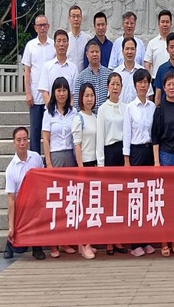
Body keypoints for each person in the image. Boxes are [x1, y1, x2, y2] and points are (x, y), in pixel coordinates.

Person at [41, 76, 78, 258]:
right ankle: (53, 243)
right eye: (58, 90)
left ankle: (65, 241)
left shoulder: (73, 112)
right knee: (55, 202)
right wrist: (48, 163)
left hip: (70, 156)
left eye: (64, 90)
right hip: (55, 157)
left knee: (68, 201)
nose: (62, 94)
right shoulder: (48, 113)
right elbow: (46, 139)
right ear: (54, 92)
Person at [152, 71, 174, 257]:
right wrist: (157, 162)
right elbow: (155, 137)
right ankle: (164, 241)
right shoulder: (159, 108)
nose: (172, 87)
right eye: (168, 84)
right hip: (165, 157)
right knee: (164, 202)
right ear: (164, 87)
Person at [122, 68, 156, 257]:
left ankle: (146, 240)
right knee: (135, 197)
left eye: (146, 82)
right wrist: (126, 160)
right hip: (135, 153)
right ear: (135, 85)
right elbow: (126, 135)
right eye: (140, 82)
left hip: (149, 152)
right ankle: (135, 243)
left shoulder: (152, 108)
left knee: (148, 196)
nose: (143, 85)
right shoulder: (130, 107)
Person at [3, 126, 46, 261]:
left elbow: (43, 178)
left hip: (36, 201)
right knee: (19, 248)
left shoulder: (36, 158)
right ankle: (9, 244)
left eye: (25, 139)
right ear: (14, 142)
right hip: (21, 205)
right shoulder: (11, 169)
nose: (22, 143)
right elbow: (11, 198)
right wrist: (11, 225)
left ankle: (37, 248)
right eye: (19, 140)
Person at [70, 82, 97, 260]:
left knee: (91, 206)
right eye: (86, 95)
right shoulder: (78, 118)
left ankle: (86, 242)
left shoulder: (95, 117)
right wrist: (80, 167)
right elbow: (77, 144)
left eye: (91, 95)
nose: (89, 99)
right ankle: (83, 242)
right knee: (84, 207)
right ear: (81, 98)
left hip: (94, 164)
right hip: (84, 165)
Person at [22, 14, 56, 154]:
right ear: (35, 28)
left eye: (44, 25)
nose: (42, 28)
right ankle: (35, 159)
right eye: (39, 25)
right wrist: (28, 93)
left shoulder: (54, 45)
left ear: (48, 27)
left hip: (51, 96)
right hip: (36, 96)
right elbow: (27, 71)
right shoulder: (30, 46)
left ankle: (52, 159)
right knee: (35, 130)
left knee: (52, 130)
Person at [38, 29, 78, 106]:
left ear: (68, 44)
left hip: (69, 113)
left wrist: (68, 110)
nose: (61, 44)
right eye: (59, 41)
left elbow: (74, 94)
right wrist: (52, 109)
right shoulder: (47, 66)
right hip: (51, 112)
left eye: (64, 41)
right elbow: (45, 92)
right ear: (54, 44)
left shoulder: (73, 68)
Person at [74, 40, 111, 113]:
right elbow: (77, 103)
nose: (95, 54)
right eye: (92, 52)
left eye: (97, 52)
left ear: (100, 53)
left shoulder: (109, 74)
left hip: (105, 117)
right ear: (87, 54)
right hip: (88, 117)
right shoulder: (81, 77)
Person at [114, 37, 154, 104]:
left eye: (132, 49)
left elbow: (149, 95)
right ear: (122, 51)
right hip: (121, 112)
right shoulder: (116, 73)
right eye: (127, 49)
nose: (129, 52)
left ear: (136, 51)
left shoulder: (143, 72)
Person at [144, 9, 173, 81]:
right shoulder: (152, 43)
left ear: (171, 24)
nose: (165, 24)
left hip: (173, 82)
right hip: (156, 81)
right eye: (162, 22)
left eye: (167, 22)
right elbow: (147, 63)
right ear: (158, 24)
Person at [67, 5, 91, 72]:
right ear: (69, 18)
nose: (76, 19)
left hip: (84, 77)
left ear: (81, 18)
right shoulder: (66, 39)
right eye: (73, 16)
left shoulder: (87, 39)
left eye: (78, 16)